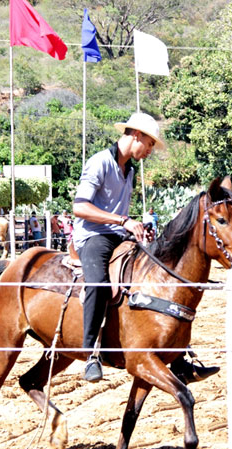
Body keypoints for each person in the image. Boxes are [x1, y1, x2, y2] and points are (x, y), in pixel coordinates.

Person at [73, 112, 218, 384]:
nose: (151, 150)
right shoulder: (99, 162)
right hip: (93, 236)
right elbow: (80, 207)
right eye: (150, 144)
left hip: (119, 235)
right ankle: (92, 351)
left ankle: (176, 355)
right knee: (98, 283)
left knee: (156, 275)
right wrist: (124, 221)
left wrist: (138, 228)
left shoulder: (129, 169)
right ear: (136, 136)